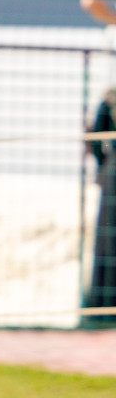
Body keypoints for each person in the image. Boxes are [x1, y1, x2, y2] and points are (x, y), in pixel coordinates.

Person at [84, 89, 116, 325]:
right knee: (109, 239)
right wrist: (106, 167)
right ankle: (103, 308)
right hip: (114, 175)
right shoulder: (110, 97)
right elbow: (96, 137)